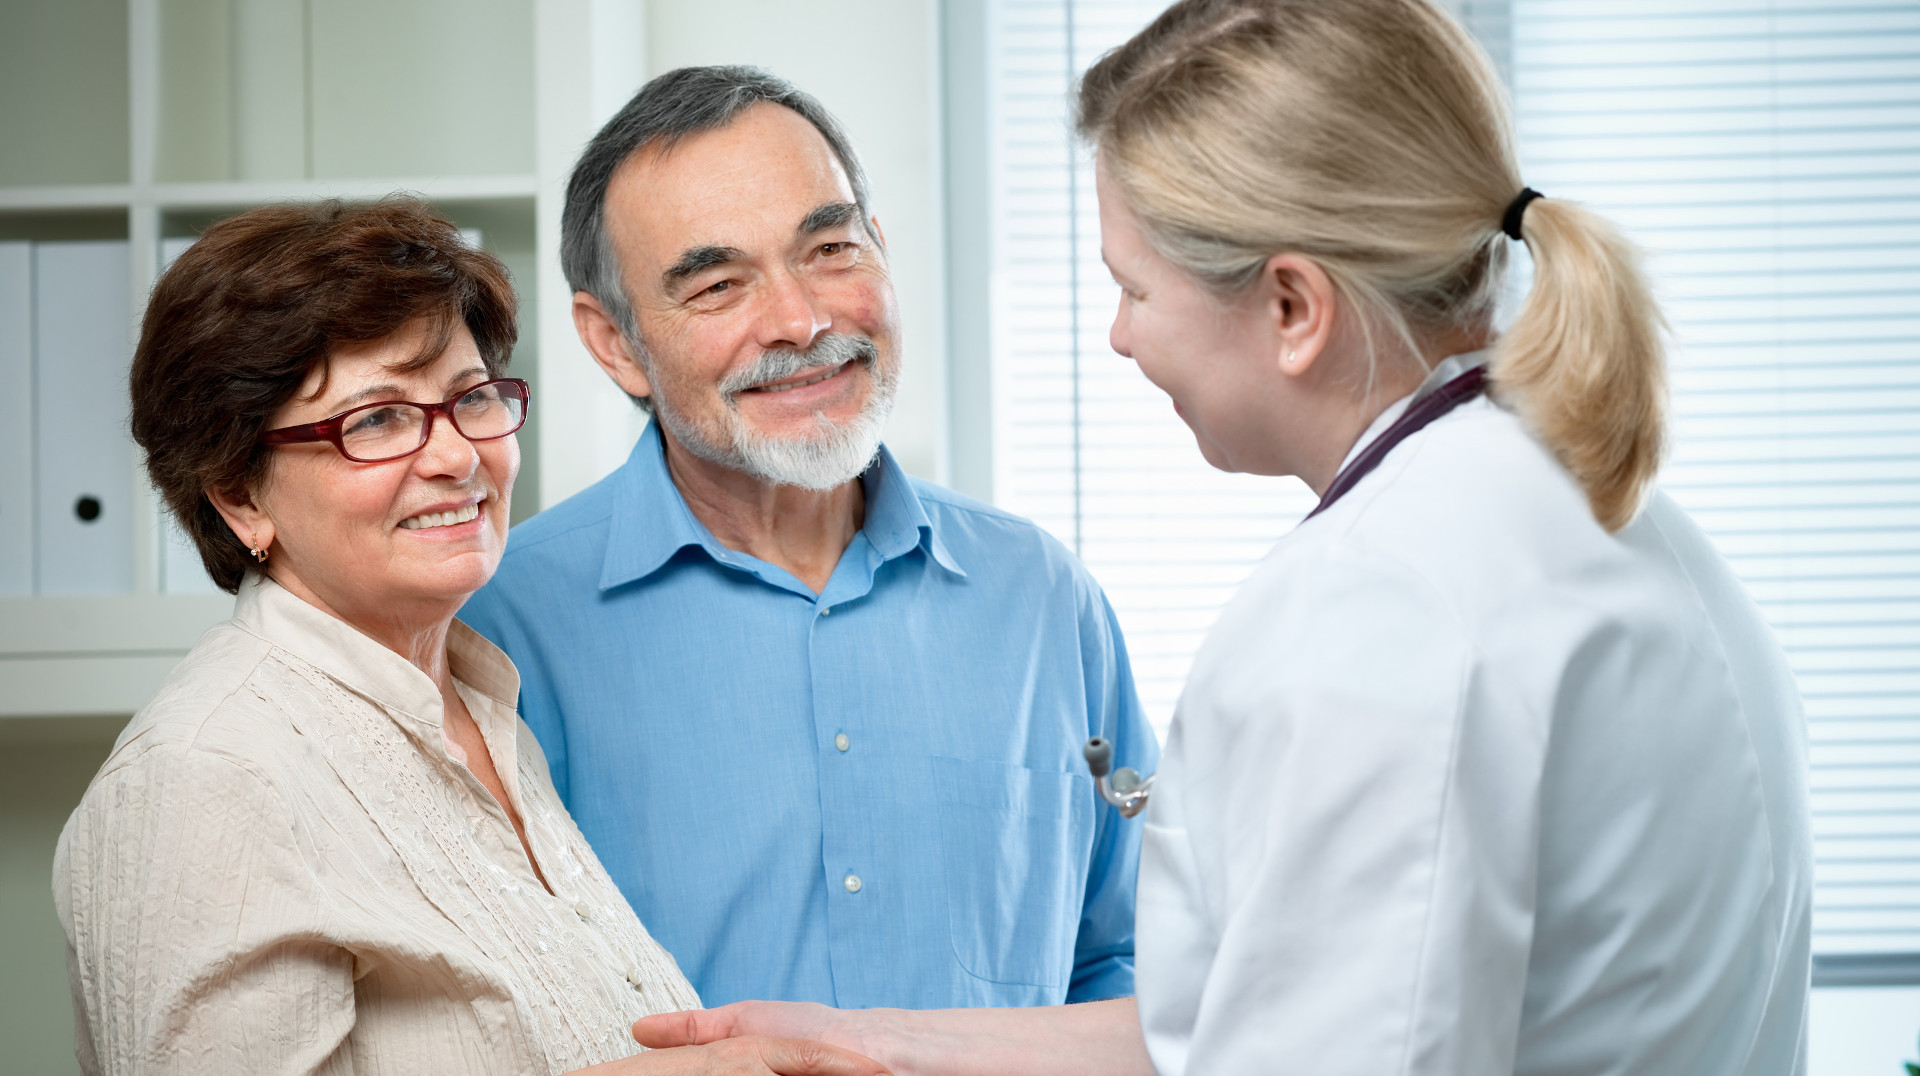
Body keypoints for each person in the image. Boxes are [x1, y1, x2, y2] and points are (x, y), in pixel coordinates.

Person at [633, 0, 1813, 1072]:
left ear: (1292, 309)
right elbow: (1222, 1022)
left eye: (1135, 288)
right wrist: (863, 1037)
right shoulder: (1603, 518)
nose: (1120, 338)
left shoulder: (1379, 604)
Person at [55, 197, 884, 1076]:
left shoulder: (484, 710)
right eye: (374, 420)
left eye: (470, 398)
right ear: (239, 496)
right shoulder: (202, 780)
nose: (457, 456)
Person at [458, 67, 1158, 1011]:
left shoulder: (1042, 597)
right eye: (715, 284)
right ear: (614, 342)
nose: (800, 320)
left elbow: (1126, 960)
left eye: (830, 248)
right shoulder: (495, 628)